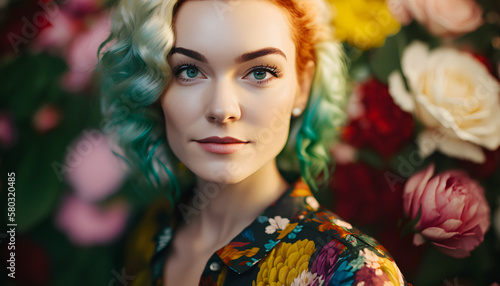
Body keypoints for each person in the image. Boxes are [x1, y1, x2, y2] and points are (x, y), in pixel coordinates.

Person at [99, 0, 408, 285]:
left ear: (302, 86)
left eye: (260, 72)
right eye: (189, 71)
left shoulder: (353, 272)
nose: (223, 109)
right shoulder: (148, 233)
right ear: (152, 87)